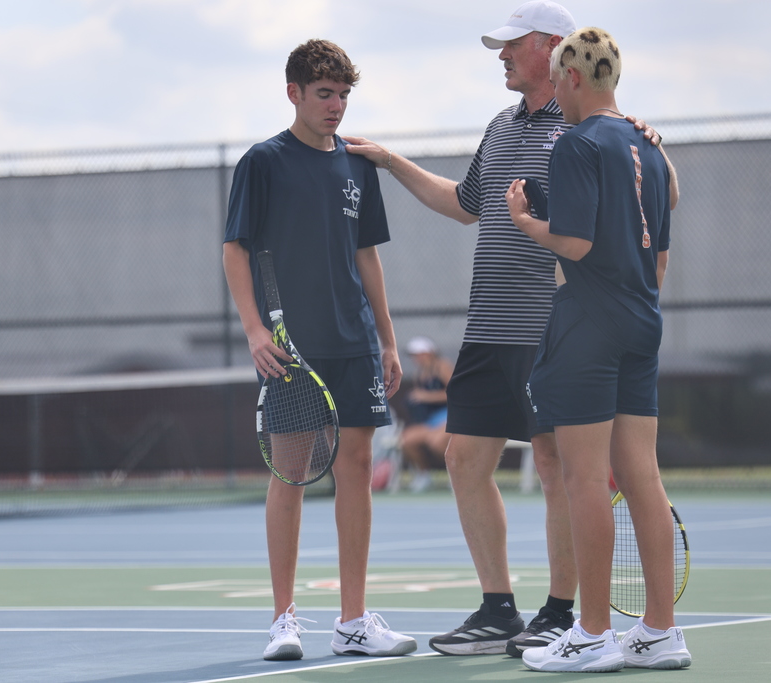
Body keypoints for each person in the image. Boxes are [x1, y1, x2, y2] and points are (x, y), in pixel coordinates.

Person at [344, 1, 677, 657]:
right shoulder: (501, 126)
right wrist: (390, 160)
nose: (500, 55)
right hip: (488, 326)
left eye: (512, 44)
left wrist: (654, 149)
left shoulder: (589, 130)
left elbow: (642, 200)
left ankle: (562, 612)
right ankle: (500, 607)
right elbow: (466, 205)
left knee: (558, 465)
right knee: (462, 458)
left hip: (555, 327)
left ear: (553, 50)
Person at [222, 39, 416, 662]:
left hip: (354, 342)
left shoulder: (359, 164)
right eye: (324, 94)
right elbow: (235, 250)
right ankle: (283, 621)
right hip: (290, 352)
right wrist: (256, 332)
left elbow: (368, 256)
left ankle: (353, 621)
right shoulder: (263, 162)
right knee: (293, 474)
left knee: (356, 469)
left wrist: (387, 337)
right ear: (295, 94)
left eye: (343, 95)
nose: (336, 106)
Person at [506, 27, 692, 672]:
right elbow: (660, 254)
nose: (554, 91)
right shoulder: (648, 144)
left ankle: (591, 633)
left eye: (558, 79)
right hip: (643, 319)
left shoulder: (575, 143)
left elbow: (576, 244)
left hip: (590, 322)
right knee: (643, 478)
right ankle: (661, 631)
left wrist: (526, 222)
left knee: (585, 478)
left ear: (576, 79)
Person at [399, 336, 454, 492]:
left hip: (448, 416)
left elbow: (455, 394)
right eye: (413, 355)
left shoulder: (442, 366)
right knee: (406, 440)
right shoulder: (420, 373)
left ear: (429, 353)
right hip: (431, 420)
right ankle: (424, 476)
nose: (416, 358)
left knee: (436, 443)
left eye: (419, 354)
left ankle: (457, 474)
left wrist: (426, 396)